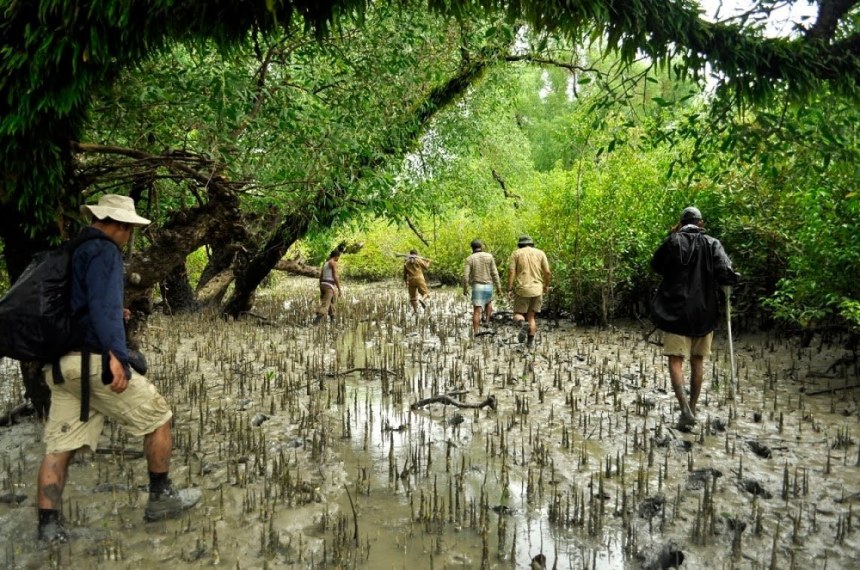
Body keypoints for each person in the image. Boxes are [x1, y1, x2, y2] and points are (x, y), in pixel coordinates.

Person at [37, 194, 201, 543]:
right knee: (159, 417)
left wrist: (111, 317)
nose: (129, 238)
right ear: (120, 224)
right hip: (93, 363)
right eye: (129, 230)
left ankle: (48, 528)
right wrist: (118, 355)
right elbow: (105, 306)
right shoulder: (104, 250)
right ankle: (161, 498)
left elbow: (82, 307)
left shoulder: (71, 251)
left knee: (58, 448)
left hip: (61, 368)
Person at [651, 206, 739, 429]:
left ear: (681, 223)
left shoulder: (673, 242)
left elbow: (656, 265)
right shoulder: (713, 244)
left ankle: (684, 410)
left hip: (675, 312)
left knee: (675, 359)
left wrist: (672, 236)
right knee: (697, 360)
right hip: (704, 313)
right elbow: (726, 273)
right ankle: (692, 407)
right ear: (701, 223)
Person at [507, 235, 551, 347]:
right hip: (537, 289)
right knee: (531, 317)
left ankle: (522, 324)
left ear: (520, 244)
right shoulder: (540, 253)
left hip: (522, 289)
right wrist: (546, 286)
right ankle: (530, 343)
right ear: (532, 244)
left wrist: (510, 288)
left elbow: (512, 272)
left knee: (517, 314)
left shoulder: (516, 253)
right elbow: (547, 272)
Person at [462, 239, 503, 335]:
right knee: (489, 302)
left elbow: (465, 275)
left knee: (477, 310)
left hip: (477, 286)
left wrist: (465, 288)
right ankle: (487, 321)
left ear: (472, 248)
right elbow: (495, 273)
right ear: (481, 246)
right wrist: (498, 288)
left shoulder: (469, 259)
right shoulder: (489, 257)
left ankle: (476, 331)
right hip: (488, 285)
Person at [314, 249, 341, 323]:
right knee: (325, 304)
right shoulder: (333, 263)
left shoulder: (325, 263)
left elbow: (321, 276)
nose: (338, 259)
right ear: (336, 256)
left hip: (323, 285)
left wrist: (321, 286)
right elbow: (335, 277)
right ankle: (315, 322)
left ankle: (333, 319)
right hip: (329, 286)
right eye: (338, 257)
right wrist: (339, 289)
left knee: (331, 302)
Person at [403, 249, 431, 313]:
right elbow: (426, 267)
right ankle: (422, 299)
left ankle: (415, 311)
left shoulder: (406, 263)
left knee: (412, 298)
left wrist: (406, 282)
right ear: (417, 254)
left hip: (411, 280)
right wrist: (428, 261)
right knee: (426, 293)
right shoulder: (418, 260)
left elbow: (405, 274)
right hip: (419, 279)